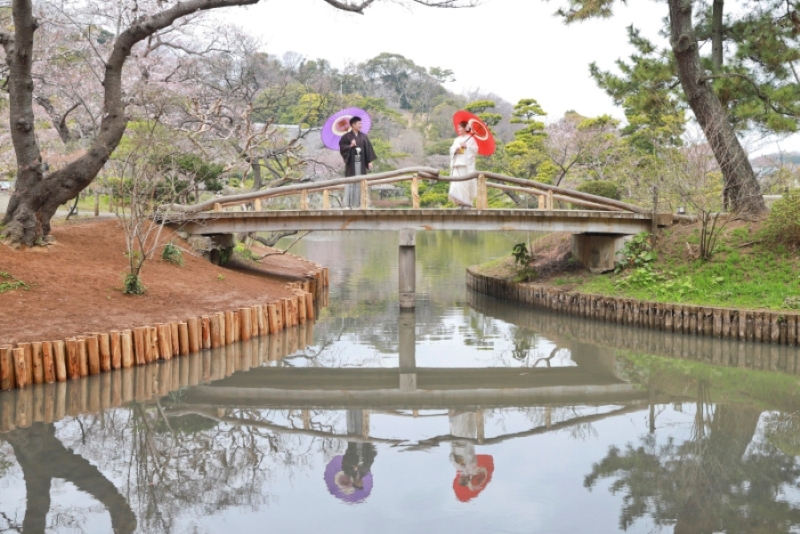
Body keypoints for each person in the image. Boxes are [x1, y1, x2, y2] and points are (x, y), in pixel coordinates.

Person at [339, 116, 377, 208]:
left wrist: (369, 161)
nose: (361, 125)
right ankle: (349, 204)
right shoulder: (346, 137)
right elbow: (342, 148)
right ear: (353, 125)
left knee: (361, 181)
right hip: (351, 163)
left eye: (361, 123)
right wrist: (350, 146)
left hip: (362, 163)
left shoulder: (363, 136)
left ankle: (362, 203)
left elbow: (368, 149)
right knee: (351, 181)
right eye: (359, 123)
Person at [448, 121, 479, 208]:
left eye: (460, 127)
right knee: (456, 185)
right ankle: (460, 202)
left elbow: (475, 151)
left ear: (466, 128)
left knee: (464, 184)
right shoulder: (457, 140)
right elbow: (451, 150)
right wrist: (455, 150)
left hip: (465, 165)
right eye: (458, 127)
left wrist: (467, 147)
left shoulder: (471, 139)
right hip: (457, 164)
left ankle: (467, 202)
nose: (459, 129)